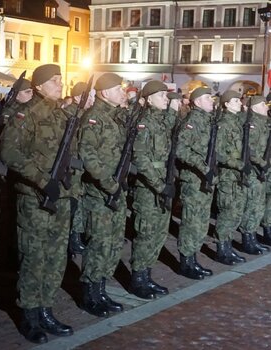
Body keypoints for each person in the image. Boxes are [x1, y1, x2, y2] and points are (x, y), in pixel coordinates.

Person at [0, 64, 74, 344]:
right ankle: (29, 316)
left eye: (60, 79)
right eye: (54, 81)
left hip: (61, 197)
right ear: (39, 86)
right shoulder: (26, 114)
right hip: (35, 199)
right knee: (34, 258)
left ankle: (46, 309)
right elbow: (9, 152)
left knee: (56, 258)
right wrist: (43, 181)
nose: (60, 83)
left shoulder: (62, 114)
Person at [78, 72, 127, 317]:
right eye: (119, 89)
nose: (123, 93)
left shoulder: (113, 117)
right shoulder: (94, 118)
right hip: (99, 193)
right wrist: (109, 183)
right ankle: (89, 294)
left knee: (113, 243)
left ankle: (101, 290)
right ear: (105, 92)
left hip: (115, 190)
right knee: (98, 244)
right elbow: (88, 156)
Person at [129, 81, 177, 299]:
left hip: (164, 184)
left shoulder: (162, 122)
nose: (166, 100)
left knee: (159, 233)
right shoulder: (144, 123)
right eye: (161, 96)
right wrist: (159, 186)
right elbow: (140, 158)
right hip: (148, 188)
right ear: (148, 99)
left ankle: (147, 275)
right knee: (146, 233)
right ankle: (138, 279)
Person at [176, 86, 216, 280]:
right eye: (208, 98)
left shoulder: (208, 120)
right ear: (198, 101)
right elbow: (181, 150)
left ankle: (193, 259)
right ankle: (186, 262)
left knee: (200, 222)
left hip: (205, 180)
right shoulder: (192, 121)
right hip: (193, 180)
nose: (212, 101)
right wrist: (202, 166)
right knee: (191, 221)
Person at [214, 90, 248, 264]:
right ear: (226, 104)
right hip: (228, 175)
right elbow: (217, 153)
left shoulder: (236, 122)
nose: (240, 104)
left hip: (238, 175)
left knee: (235, 212)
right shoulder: (224, 124)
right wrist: (236, 164)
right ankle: (222, 249)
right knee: (227, 213)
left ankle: (228, 247)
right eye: (235, 101)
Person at [64, 81, 96, 256]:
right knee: (72, 204)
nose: (92, 99)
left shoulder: (85, 114)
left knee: (79, 203)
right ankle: (71, 240)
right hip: (72, 168)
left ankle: (76, 238)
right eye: (88, 95)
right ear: (77, 97)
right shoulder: (69, 114)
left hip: (81, 168)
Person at [239, 95, 270, 254]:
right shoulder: (252, 124)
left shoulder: (263, 122)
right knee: (252, 206)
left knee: (258, 206)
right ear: (255, 107)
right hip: (253, 171)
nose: (266, 107)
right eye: (263, 104)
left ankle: (252, 238)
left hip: (261, 171)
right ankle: (247, 239)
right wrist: (262, 163)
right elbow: (248, 150)